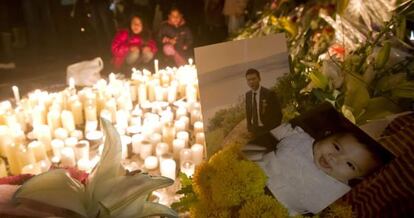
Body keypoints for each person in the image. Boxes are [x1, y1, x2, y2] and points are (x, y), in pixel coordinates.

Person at [244, 105, 393, 215]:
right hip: (254, 173)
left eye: (350, 164)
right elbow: (278, 127)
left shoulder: (338, 192)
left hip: (277, 209)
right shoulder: (300, 138)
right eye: (336, 147)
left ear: (358, 177)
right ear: (327, 134)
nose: (334, 158)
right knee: (250, 152)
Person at [245, 68, 282, 136]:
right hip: (255, 131)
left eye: (253, 79)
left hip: (268, 130)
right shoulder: (248, 95)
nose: (251, 82)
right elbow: (248, 112)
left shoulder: (269, 94)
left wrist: (273, 130)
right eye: (249, 80)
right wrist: (249, 128)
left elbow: (278, 114)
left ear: (259, 79)